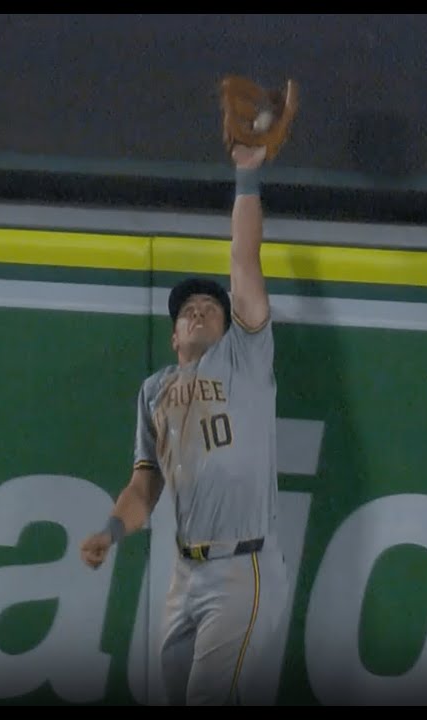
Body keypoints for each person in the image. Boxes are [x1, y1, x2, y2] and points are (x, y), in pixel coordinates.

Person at [79, 142, 286, 706]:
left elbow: (244, 260)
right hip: (185, 573)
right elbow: (145, 487)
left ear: (228, 326)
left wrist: (246, 176)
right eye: (187, 310)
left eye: (209, 308)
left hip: (244, 567)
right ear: (174, 337)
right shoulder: (154, 391)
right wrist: (112, 530)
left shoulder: (244, 359)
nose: (197, 310)